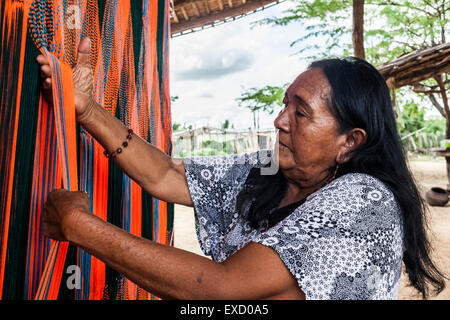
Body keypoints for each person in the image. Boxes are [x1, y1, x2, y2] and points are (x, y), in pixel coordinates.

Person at [36, 38, 446, 300]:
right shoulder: (275, 168)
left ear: (349, 142)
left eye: (301, 113)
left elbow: (223, 288)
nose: (280, 120)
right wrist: (88, 110)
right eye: (285, 104)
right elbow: (169, 176)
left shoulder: (364, 199)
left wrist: (79, 226)